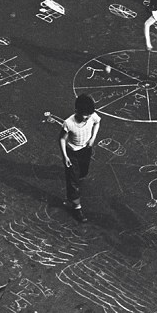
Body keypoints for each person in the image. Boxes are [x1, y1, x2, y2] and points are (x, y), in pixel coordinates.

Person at [59, 94, 101, 222]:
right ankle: (77, 208)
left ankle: (73, 191)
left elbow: (97, 122)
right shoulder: (69, 123)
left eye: (89, 115)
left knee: (83, 172)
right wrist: (65, 156)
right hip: (72, 153)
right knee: (73, 182)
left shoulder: (91, 116)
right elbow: (61, 139)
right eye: (85, 115)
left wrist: (93, 138)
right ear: (76, 111)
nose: (87, 117)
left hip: (86, 149)